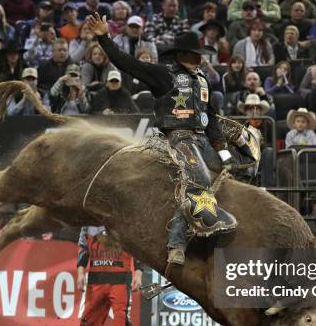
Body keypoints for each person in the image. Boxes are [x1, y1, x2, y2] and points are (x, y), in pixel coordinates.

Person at [88, 13, 238, 265]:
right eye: (194, 54)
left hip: (202, 139)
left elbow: (210, 117)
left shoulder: (202, 81)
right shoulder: (163, 74)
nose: (200, 58)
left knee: (242, 164)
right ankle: (177, 243)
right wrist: (104, 37)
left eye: (201, 53)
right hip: (178, 137)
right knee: (197, 177)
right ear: (180, 56)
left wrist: (224, 151)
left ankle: (208, 229)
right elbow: (125, 62)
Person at [77, 226, 142, 326]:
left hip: (119, 279)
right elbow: (83, 249)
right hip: (96, 280)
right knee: (90, 322)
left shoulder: (124, 219)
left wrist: (138, 274)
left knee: (122, 319)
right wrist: (80, 273)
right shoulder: (88, 224)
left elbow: (137, 249)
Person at [234, 94, 274, 186]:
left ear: (260, 110)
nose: (253, 110)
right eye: (250, 108)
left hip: (262, 153)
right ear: (245, 111)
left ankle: (266, 187)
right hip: (244, 152)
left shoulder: (268, 123)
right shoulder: (240, 124)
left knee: (269, 151)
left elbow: (271, 143)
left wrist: (258, 145)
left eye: (256, 108)